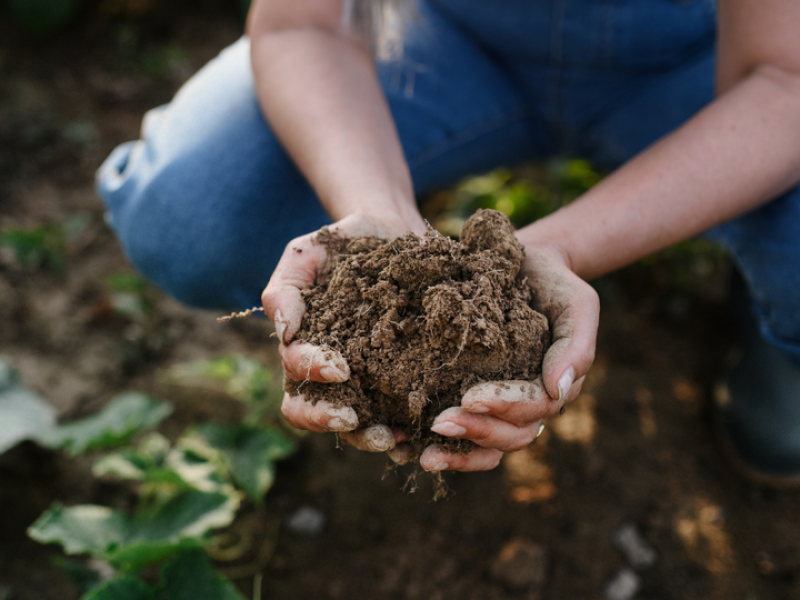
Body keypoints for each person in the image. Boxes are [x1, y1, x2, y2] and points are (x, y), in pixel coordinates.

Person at [96, 0, 800, 486]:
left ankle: (775, 318)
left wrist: (556, 250)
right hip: (447, 33)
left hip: (702, 58)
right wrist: (378, 214)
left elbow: (785, 80)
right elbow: (303, 24)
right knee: (193, 216)